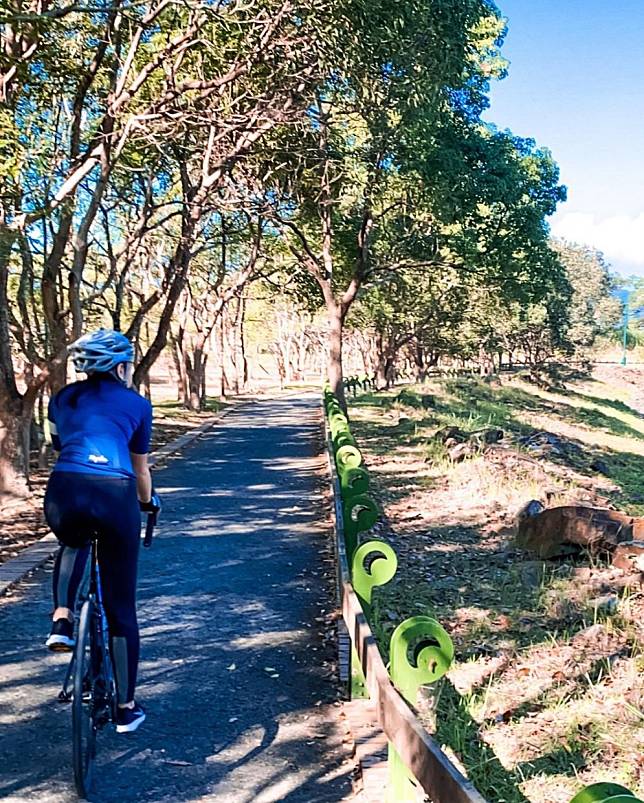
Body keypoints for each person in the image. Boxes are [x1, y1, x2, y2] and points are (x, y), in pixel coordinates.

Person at [44, 328, 160, 734]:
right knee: (120, 607)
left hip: (65, 490)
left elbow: (57, 445)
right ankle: (126, 708)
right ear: (121, 366)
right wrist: (147, 503)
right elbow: (140, 468)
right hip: (116, 493)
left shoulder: (61, 398)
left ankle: (62, 620)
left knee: (72, 540)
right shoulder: (137, 404)